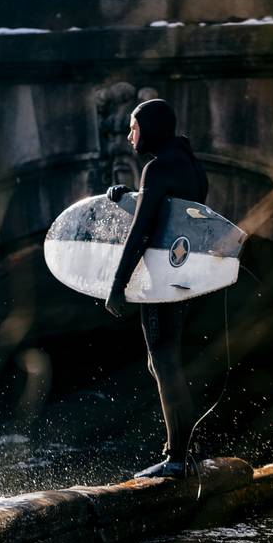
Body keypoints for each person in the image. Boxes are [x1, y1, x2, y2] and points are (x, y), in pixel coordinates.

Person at [104, 98, 208, 479]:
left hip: (160, 280)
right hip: (184, 276)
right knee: (167, 361)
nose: (130, 135)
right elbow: (170, 217)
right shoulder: (191, 165)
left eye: (134, 127)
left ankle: (177, 456)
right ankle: (189, 449)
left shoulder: (157, 168)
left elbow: (143, 232)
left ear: (150, 128)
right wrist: (130, 198)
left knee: (163, 363)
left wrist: (118, 286)